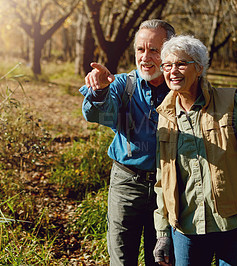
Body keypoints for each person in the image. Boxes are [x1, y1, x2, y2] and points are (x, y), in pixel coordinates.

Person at [152, 35, 237, 266]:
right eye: (167, 65)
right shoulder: (165, 115)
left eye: (182, 63)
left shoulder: (229, 103)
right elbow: (164, 179)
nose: (173, 71)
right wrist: (162, 232)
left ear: (199, 68)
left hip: (236, 226)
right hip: (187, 228)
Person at [79, 19, 175, 265]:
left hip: (169, 189)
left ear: (169, 51)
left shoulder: (180, 90)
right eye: (140, 50)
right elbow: (98, 113)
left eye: (154, 50)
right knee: (122, 260)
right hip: (126, 185)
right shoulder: (123, 84)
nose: (145, 57)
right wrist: (99, 89)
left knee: (162, 260)